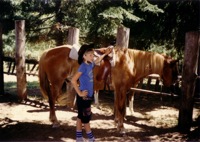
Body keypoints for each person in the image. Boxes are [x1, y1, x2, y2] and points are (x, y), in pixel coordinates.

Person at [71, 44, 112, 142]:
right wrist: (80, 93)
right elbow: (73, 80)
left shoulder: (90, 64)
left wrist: (105, 54)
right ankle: (91, 138)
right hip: (83, 97)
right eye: (90, 55)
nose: (92, 56)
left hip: (88, 96)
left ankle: (79, 138)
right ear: (84, 56)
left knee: (80, 116)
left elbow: (97, 61)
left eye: (93, 55)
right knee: (86, 119)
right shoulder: (83, 67)